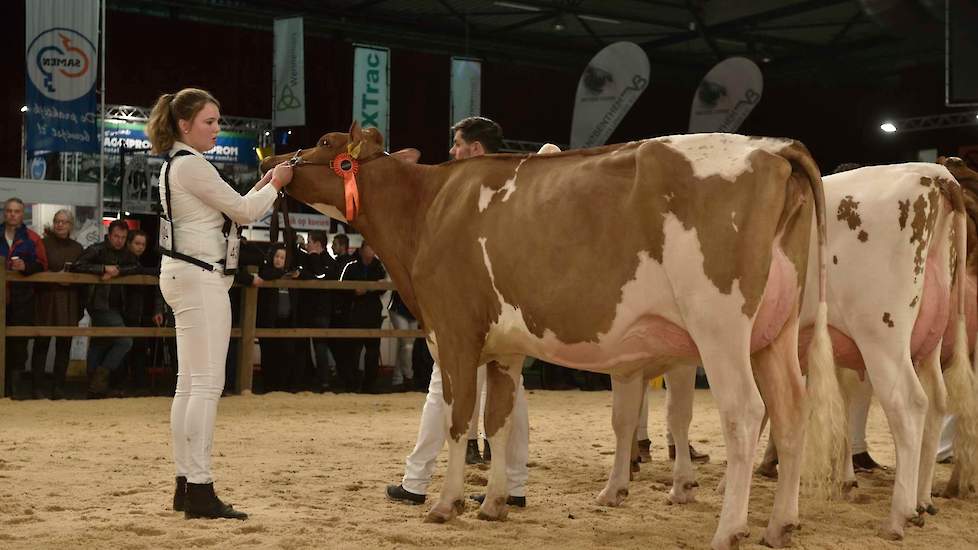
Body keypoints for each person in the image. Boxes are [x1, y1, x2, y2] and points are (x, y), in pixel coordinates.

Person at [147, 88, 292, 520]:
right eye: (209, 121)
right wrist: (278, 186)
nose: (216, 128)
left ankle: (184, 484)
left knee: (188, 385)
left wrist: (265, 186)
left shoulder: (177, 164)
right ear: (184, 125)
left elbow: (232, 207)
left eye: (217, 120)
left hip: (183, 275)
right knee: (206, 386)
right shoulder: (191, 165)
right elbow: (246, 213)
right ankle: (200, 488)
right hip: (200, 278)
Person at [387, 116, 530, 507]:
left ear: (476, 150)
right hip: (513, 307)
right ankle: (514, 485)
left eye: (457, 144)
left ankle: (416, 481)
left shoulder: (468, 192)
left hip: (471, 306)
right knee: (511, 390)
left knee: (443, 387)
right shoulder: (517, 185)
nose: (452, 152)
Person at [72, 219, 140, 398]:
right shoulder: (97, 249)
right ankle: (98, 382)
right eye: (116, 236)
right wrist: (102, 268)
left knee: (100, 343)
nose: (119, 240)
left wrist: (118, 271)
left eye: (123, 237)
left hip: (118, 307)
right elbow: (77, 265)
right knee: (125, 340)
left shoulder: (127, 254)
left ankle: (94, 387)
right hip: (100, 305)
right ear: (109, 235)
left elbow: (136, 267)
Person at [31, 209, 84, 399]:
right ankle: (37, 388)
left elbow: (82, 272)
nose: (60, 225)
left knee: (64, 346)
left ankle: (58, 388)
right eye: (57, 221)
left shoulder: (78, 248)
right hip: (46, 298)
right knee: (42, 343)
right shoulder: (43, 244)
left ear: (71, 225)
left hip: (69, 300)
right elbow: (36, 269)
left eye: (64, 222)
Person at [1, 197, 48, 398]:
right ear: (5, 213)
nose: (12, 214)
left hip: (22, 299)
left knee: (19, 346)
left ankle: (15, 392)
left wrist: (26, 267)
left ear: (23, 214)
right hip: (0, 299)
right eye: (9, 210)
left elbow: (42, 264)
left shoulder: (32, 238)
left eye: (17, 211)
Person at [338, 242, 387, 394]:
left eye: (374, 248)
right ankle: (351, 384)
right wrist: (355, 291)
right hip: (355, 312)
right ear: (362, 250)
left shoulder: (378, 266)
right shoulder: (351, 264)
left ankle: (369, 385)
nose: (372, 251)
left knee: (372, 351)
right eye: (370, 248)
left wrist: (367, 289)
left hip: (373, 313)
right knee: (353, 351)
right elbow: (341, 285)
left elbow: (383, 286)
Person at [294, 231, 338, 392]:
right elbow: (300, 274)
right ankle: (304, 380)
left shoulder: (329, 261)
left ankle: (324, 382)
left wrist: (313, 258)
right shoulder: (306, 258)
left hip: (321, 310)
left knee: (320, 347)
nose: (307, 245)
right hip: (305, 308)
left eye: (309, 242)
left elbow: (320, 276)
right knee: (302, 346)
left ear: (318, 244)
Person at [257, 244, 300, 393]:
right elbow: (265, 275)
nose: (278, 260)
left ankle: (283, 386)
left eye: (282, 257)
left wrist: (294, 273)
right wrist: (282, 273)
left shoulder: (291, 276)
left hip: (287, 321)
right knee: (269, 355)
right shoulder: (266, 272)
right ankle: (268, 386)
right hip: (269, 321)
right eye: (277, 256)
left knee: (287, 354)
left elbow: (307, 275)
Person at [327, 233, 353, 392]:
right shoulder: (340, 262)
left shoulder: (346, 263)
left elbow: (339, 284)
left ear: (343, 247)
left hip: (342, 310)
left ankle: (346, 379)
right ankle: (344, 377)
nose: (332, 247)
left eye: (335, 244)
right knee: (338, 346)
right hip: (339, 309)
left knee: (341, 347)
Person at [388, 291, 416, 392]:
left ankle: (398, 380)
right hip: (398, 309)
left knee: (404, 346)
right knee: (407, 346)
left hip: (415, 312)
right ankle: (408, 376)